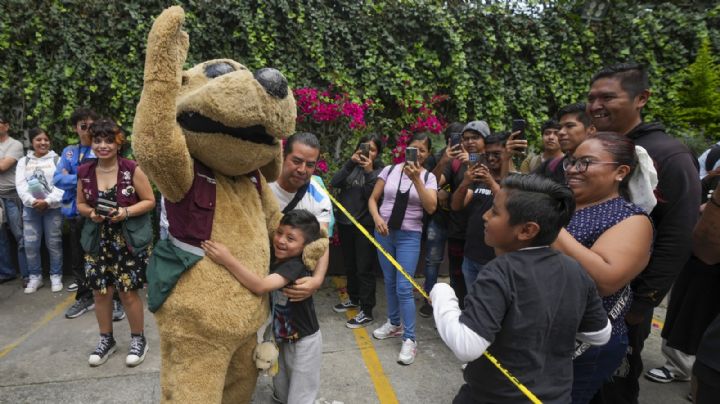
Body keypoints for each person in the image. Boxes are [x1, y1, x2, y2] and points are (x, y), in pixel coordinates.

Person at [431, 174, 610, 403]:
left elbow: (467, 345)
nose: (485, 216)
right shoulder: (574, 268)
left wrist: (442, 294)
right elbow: (600, 334)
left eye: (495, 212)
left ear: (527, 230)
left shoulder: (500, 271)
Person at [587, 63, 701, 403]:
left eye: (608, 97)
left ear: (642, 98)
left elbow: (677, 236)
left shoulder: (669, 156)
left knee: (612, 384)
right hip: (583, 290)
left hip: (626, 301)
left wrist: (644, 301)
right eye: (591, 97)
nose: (595, 106)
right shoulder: (598, 148)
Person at [550, 133, 653, 403]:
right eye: (571, 162)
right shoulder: (561, 204)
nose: (572, 169)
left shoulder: (631, 219)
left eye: (585, 163)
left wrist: (546, 223)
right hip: (541, 330)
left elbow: (604, 281)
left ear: (620, 172)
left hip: (585, 344)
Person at [202, 209, 323, 404]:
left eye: (291, 238)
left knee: (301, 396)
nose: (281, 240)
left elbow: (260, 286)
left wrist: (227, 259)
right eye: (280, 232)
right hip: (280, 337)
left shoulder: (295, 265)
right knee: (282, 389)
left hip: (304, 342)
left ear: (306, 246)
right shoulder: (276, 257)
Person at [76, 119, 155, 367]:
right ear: (91, 143)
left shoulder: (132, 169)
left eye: (109, 140)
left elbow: (150, 200)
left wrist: (126, 212)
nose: (103, 145)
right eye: (97, 140)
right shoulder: (85, 171)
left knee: (128, 292)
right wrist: (91, 214)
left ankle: (138, 339)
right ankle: (106, 339)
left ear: (118, 143)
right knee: (101, 293)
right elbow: (80, 204)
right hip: (98, 241)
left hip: (126, 241)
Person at [368, 132, 438, 365]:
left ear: (428, 154)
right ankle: (394, 323)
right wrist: (377, 217)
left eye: (423, 150)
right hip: (384, 233)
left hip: (409, 237)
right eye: (413, 148)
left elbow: (430, 207)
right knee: (388, 281)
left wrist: (417, 178)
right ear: (405, 149)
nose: (417, 153)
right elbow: (373, 199)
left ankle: (410, 339)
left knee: (404, 287)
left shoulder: (428, 177)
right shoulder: (388, 170)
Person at [55, 108, 124, 320]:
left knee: (111, 257)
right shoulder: (69, 152)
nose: (87, 130)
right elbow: (57, 179)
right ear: (76, 128)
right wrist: (80, 177)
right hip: (76, 214)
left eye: (90, 126)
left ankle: (117, 300)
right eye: (82, 126)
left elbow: (94, 181)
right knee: (78, 259)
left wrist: (74, 175)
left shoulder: (101, 150)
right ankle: (85, 298)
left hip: (102, 214)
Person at [428, 121, 491, 312]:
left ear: (485, 140)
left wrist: (471, 161)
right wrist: (444, 161)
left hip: (485, 233)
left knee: (484, 282)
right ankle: (460, 316)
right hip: (458, 229)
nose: (470, 142)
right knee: (457, 276)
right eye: (466, 138)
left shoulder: (493, 160)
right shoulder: (454, 162)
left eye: (475, 138)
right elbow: (432, 181)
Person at [268, 132, 332, 302]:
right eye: (296, 161)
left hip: (287, 278)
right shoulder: (262, 184)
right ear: (283, 156)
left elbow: (322, 242)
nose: (302, 170)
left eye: (310, 165)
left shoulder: (319, 198)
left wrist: (317, 280)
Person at [330, 134, 384, 328]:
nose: (367, 152)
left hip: (364, 226)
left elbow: (373, 197)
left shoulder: (380, 172)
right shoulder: (351, 167)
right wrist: (349, 163)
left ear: (378, 154)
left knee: (364, 268)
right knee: (350, 265)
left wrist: (369, 170)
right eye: (364, 147)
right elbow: (334, 182)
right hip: (346, 223)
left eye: (373, 149)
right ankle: (353, 298)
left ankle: (367, 310)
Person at [418, 122, 464, 318]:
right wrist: (444, 160)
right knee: (432, 262)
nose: (459, 143)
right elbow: (427, 181)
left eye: (462, 138)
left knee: (458, 265)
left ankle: (456, 303)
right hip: (438, 218)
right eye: (454, 138)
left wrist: (449, 193)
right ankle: (429, 300)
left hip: (459, 221)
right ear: (447, 140)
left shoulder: (470, 158)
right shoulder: (438, 156)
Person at [451, 134, 506, 288]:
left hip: (494, 260)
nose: (491, 158)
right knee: (473, 302)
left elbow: (507, 205)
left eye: (496, 154)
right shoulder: (478, 179)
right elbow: (456, 206)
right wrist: (465, 182)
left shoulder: (515, 180)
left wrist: (491, 182)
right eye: (487, 154)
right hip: (471, 255)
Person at [14, 128, 64, 293]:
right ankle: (35, 277)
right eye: (38, 139)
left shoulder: (58, 159)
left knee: (54, 243)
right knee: (30, 245)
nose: (43, 142)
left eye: (46, 139)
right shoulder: (24, 161)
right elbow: (20, 185)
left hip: (53, 209)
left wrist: (48, 201)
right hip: (31, 209)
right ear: (32, 142)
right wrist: (33, 201)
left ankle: (56, 275)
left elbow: (62, 184)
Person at [0, 114, 28, 285]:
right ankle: (6, 272)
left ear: (7, 126)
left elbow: (3, 166)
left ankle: (27, 274)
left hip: (12, 196)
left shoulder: (15, 145)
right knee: (0, 237)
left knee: (21, 235)